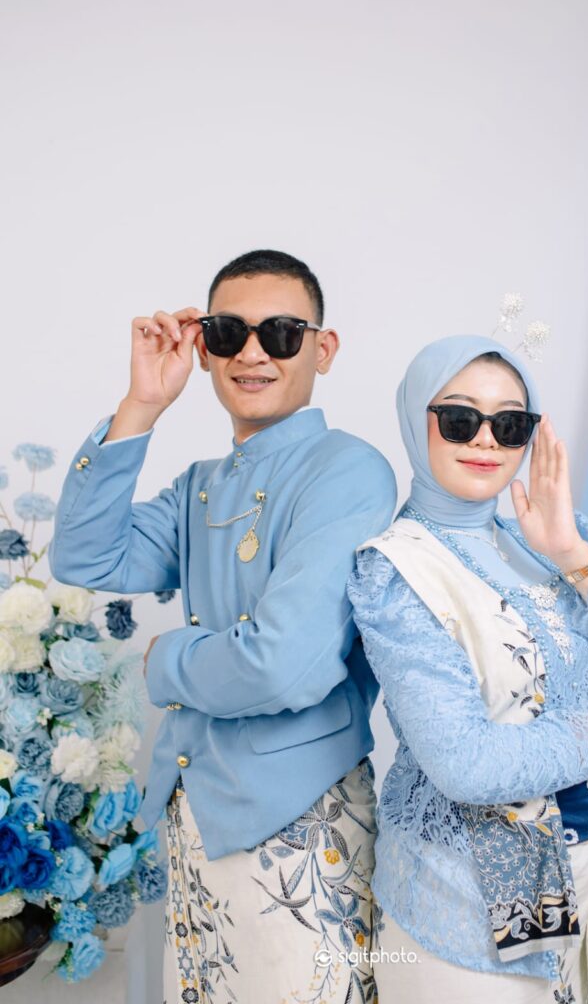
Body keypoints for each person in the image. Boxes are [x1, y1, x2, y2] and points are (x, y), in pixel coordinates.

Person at [48, 249, 397, 1004]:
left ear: (322, 349)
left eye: (281, 332)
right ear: (203, 348)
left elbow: (285, 665)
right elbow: (83, 555)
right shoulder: (200, 487)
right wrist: (142, 404)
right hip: (195, 810)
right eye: (229, 331)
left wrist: (165, 661)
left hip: (300, 820)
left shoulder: (346, 470)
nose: (252, 352)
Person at [346, 334, 588, 1004]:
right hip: (462, 904)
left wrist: (571, 552)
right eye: (459, 418)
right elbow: (465, 765)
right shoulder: (397, 567)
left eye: (509, 424)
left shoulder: (543, 543)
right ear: (417, 419)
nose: (486, 440)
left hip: (581, 878)